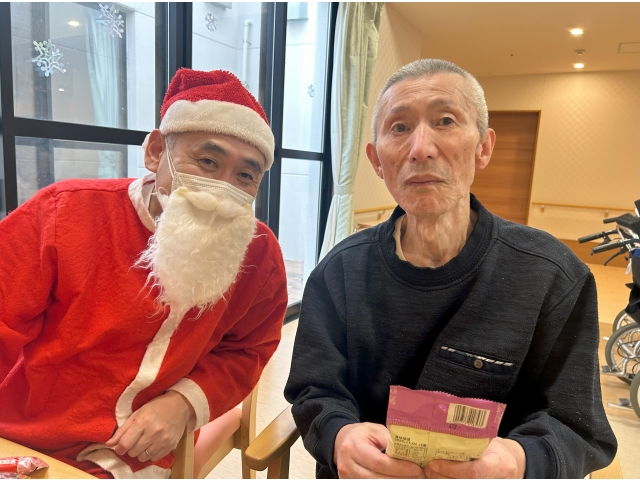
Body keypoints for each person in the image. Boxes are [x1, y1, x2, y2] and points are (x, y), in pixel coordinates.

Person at [284, 59, 617, 479]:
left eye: (445, 121)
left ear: (484, 147)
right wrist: (339, 436)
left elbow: (578, 426)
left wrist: (520, 460)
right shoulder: (339, 272)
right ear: (376, 160)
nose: (420, 148)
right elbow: (314, 389)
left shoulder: (552, 276)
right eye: (399, 127)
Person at [0, 69, 288, 478]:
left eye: (245, 176)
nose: (222, 192)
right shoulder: (64, 213)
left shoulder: (260, 255)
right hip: (27, 432)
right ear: (155, 152)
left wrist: (183, 403)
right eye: (208, 161)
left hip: (140, 449)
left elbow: (248, 350)